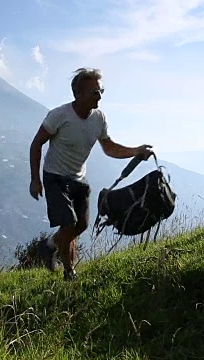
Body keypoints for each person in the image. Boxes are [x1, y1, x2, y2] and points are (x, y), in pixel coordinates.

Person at [29, 67, 153, 280]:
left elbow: (108, 147)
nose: (100, 96)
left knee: (81, 225)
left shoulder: (99, 118)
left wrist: (136, 151)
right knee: (67, 224)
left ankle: (49, 246)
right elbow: (36, 144)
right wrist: (35, 179)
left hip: (79, 178)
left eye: (101, 90)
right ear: (78, 94)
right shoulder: (59, 115)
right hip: (55, 177)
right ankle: (69, 273)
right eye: (95, 92)